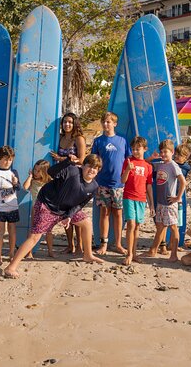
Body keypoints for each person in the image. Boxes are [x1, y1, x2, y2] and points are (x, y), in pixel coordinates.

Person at [3, 154, 104, 278]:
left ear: (98, 171)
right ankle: (11, 267)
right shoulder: (72, 171)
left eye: (96, 168)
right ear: (83, 166)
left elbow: (80, 204)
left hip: (65, 210)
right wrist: (67, 161)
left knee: (87, 222)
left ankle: (88, 254)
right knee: (35, 236)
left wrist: (69, 216)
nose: (92, 170)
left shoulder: (94, 187)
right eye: (89, 166)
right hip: (47, 205)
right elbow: (51, 172)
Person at [91, 112, 131, 255]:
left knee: (119, 214)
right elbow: (93, 162)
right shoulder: (98, 141)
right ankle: (104, 244)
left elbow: (129, 161)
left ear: (115, 124)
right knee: (104, 213)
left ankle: (119, 244)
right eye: (104, 122)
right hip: (102, 183)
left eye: (109, 122)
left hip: (119, 184)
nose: (106, 124)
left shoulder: (123, 140)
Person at [140, 139, 186, 262]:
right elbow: (144, 163)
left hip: (169, 203)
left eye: (166, 152)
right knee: (160, 226)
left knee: (173, 227)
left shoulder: (173, 165)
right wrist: (152, 157)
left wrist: (178, 197)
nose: (163, 154)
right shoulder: (160, 164)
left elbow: (183, 182)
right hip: (160, 202)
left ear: (172, 152)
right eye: (161, 152)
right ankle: (153, 250)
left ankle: (174, 254)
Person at [51, 112, 86, 254]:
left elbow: (83, 160)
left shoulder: (78, 138)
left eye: (70, 122)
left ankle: (80, 246)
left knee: (75, 212)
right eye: (65, 122)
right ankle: (70, 245)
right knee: (64, 212)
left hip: (75, 178)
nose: (67, 124)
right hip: (61, 178)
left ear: (75, 123)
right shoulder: (59, 138)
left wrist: (62, 159)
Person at [120, 136, 154, 266]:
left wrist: (151, 204)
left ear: (145, 149)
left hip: (141, 199)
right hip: (129, 197)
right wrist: (128, 169)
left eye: (138, 149)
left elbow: (149, 186)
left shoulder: (148, 166)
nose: (135, 151)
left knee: (137, 226)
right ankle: (129, 253)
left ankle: (134, 253)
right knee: (131, 224)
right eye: (133, 149)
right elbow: (122, 180)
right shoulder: (128, 161)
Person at [0, 145, 21, 265]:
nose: (8, 162)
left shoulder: (14, 172)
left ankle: (11, 254)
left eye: (10, 159)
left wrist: (16, 183)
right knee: (0, 231)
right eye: (5, 159)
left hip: (12, 207)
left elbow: (18, 188)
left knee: (12, 231)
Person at [23, 159, 55, 258]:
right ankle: (29, 252)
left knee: (49, 231)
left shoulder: (50, 182)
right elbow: (25, 187)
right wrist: (30, 176)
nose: (36, 172)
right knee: (33, 230)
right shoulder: (33, 181)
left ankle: (50, 251)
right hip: (35, 209)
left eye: (38, 171)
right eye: (35, 170)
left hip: (48, 209)